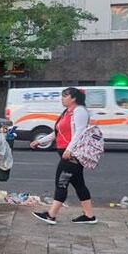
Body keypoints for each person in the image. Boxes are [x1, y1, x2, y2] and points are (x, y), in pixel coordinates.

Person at [32, 87, 96, 225]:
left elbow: (80, 132)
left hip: (72, 155)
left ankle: (51, 215)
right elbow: (57, 133)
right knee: (79, 184)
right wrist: (39, 141)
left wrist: (69, 149)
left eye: (65, 96)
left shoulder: (79, 111)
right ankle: (89, 216)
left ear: (73, 98)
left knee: (61, 182)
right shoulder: (67, 112)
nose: (62, 98)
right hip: (67, 152)